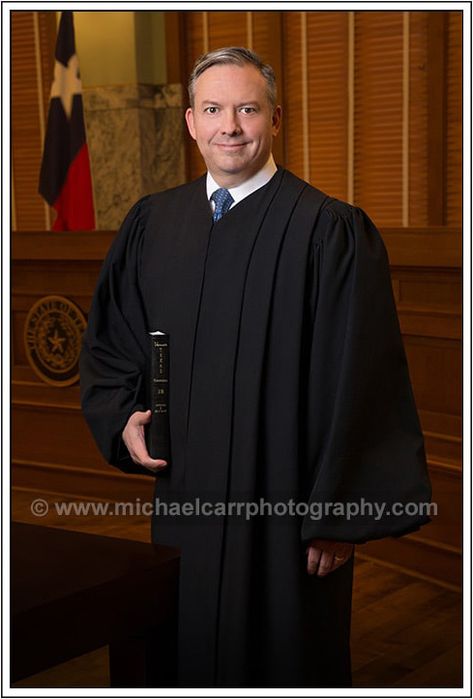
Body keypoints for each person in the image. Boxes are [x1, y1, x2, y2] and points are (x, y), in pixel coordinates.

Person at [80, 47, 432, 688]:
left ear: (276, 117)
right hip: (184, 499)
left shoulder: (328, 230)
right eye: (213, 110)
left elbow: (362, 381)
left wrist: (338, 515)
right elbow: (114, 342)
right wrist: (123, 416)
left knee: (282, 658)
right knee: (178, 646)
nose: (230, 127)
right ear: (191, 121)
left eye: (247, 109)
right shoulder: (154, 224)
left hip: (285, 511)